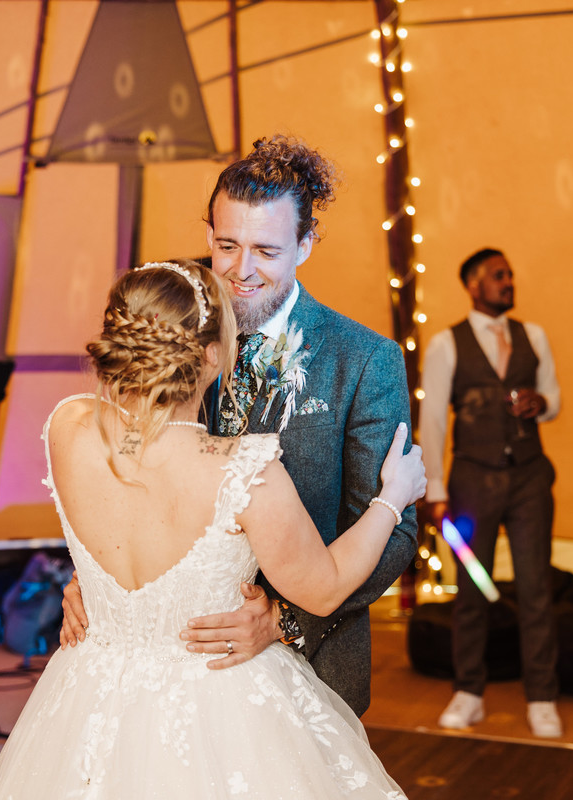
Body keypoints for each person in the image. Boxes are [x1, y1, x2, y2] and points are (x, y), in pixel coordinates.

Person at [0, 260, 424, 797]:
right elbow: (324, 588)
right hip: (219, 703)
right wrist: (391, 498)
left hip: (88, 692)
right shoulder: (244, 470)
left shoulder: (69, 426)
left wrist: (90, 586)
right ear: (213, 356)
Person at [60, 135, 420, 716]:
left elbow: (395, 532)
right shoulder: (168, 317)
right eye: (227, 245)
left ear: (305, 244)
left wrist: (282, 622)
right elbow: (124, 466)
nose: (241, 271)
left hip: (309, 672)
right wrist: (100, 582)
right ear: (209, 234)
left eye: (267, 251)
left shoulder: (363, 359)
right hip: (157, 675)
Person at [418, 248, 563, 738]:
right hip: (472, 481)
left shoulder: (533, 335)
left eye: (510, 274)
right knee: (471, 589)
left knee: (536, 587)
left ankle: (542, 696)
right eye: (499, 275)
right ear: (474, 285)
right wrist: (435, 489)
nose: (509, 282)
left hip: (529, 478)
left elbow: (554, 398)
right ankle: (469, 691)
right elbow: (433, 421)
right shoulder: (446, 344)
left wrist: (541, 402)